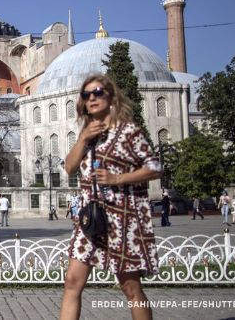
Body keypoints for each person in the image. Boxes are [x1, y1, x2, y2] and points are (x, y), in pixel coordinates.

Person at [59, 74, 161, 320]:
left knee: (130, 287)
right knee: (72, 281)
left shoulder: (128, 131)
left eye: (97, 92)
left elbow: (155, 167)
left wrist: (117, 179)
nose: (91, 98)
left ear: (111, 97)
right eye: (86, 95)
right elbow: (69, 167)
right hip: (91, 218)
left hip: (122, 219)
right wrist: (83, 138)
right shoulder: (88, 133)